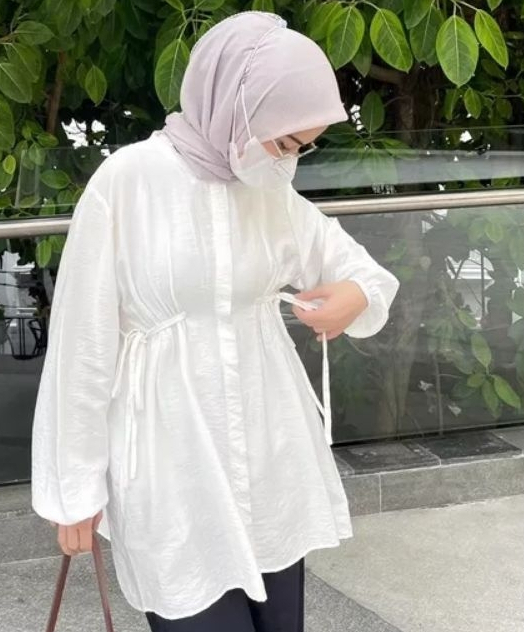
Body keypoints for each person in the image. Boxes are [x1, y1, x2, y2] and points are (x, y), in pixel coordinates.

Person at [31, 12, 400, 632]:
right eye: (284, 143)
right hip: (172, 466)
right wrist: (73, 489)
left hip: (269, 456)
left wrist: (354, 297)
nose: (288, 162)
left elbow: (363, 272)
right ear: (236, 107)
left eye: (303, 148)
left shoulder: (268, 191)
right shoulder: (129, 182)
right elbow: (82, 348)